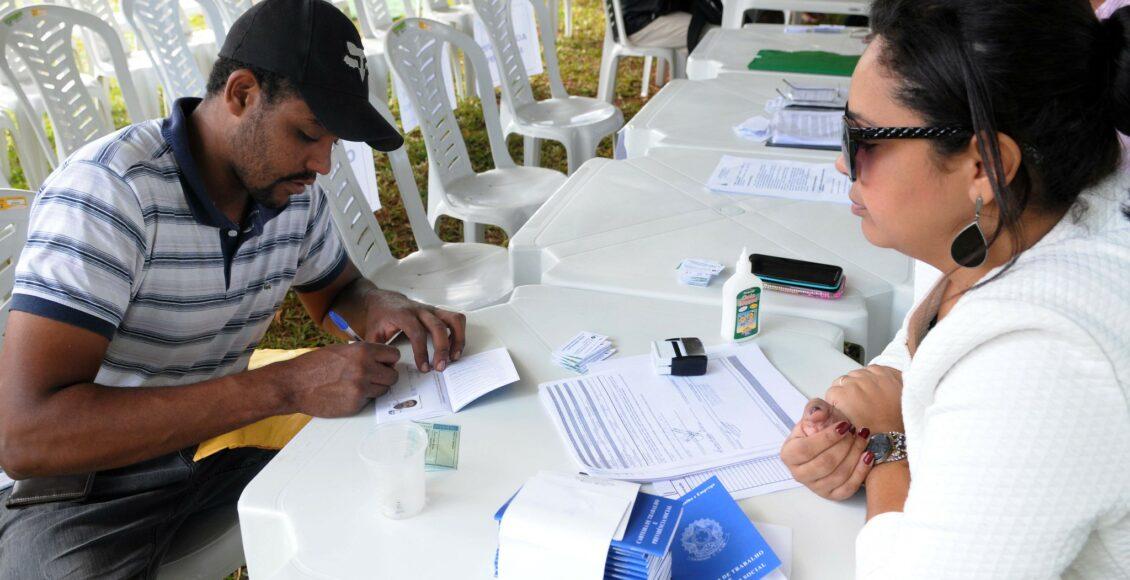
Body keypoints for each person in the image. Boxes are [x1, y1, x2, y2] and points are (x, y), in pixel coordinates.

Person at [0, 0, 466, 576]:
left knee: (390, 501)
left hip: (196, 455)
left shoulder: (289, 192)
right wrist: (284, 387)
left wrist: (380, 305)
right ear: (242, 94)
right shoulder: (110, 195)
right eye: (307, 133)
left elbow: (337, 294)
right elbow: (28, 437)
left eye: (333, 144)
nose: (322, 164)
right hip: (69, 492)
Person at [779, 0, 1129, 577]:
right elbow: (932, 340)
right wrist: (869, 401)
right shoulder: (1017, 227)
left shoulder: (1047, 357)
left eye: (863, 140)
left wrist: (889, 444)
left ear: (983, 167)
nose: (843, 166)